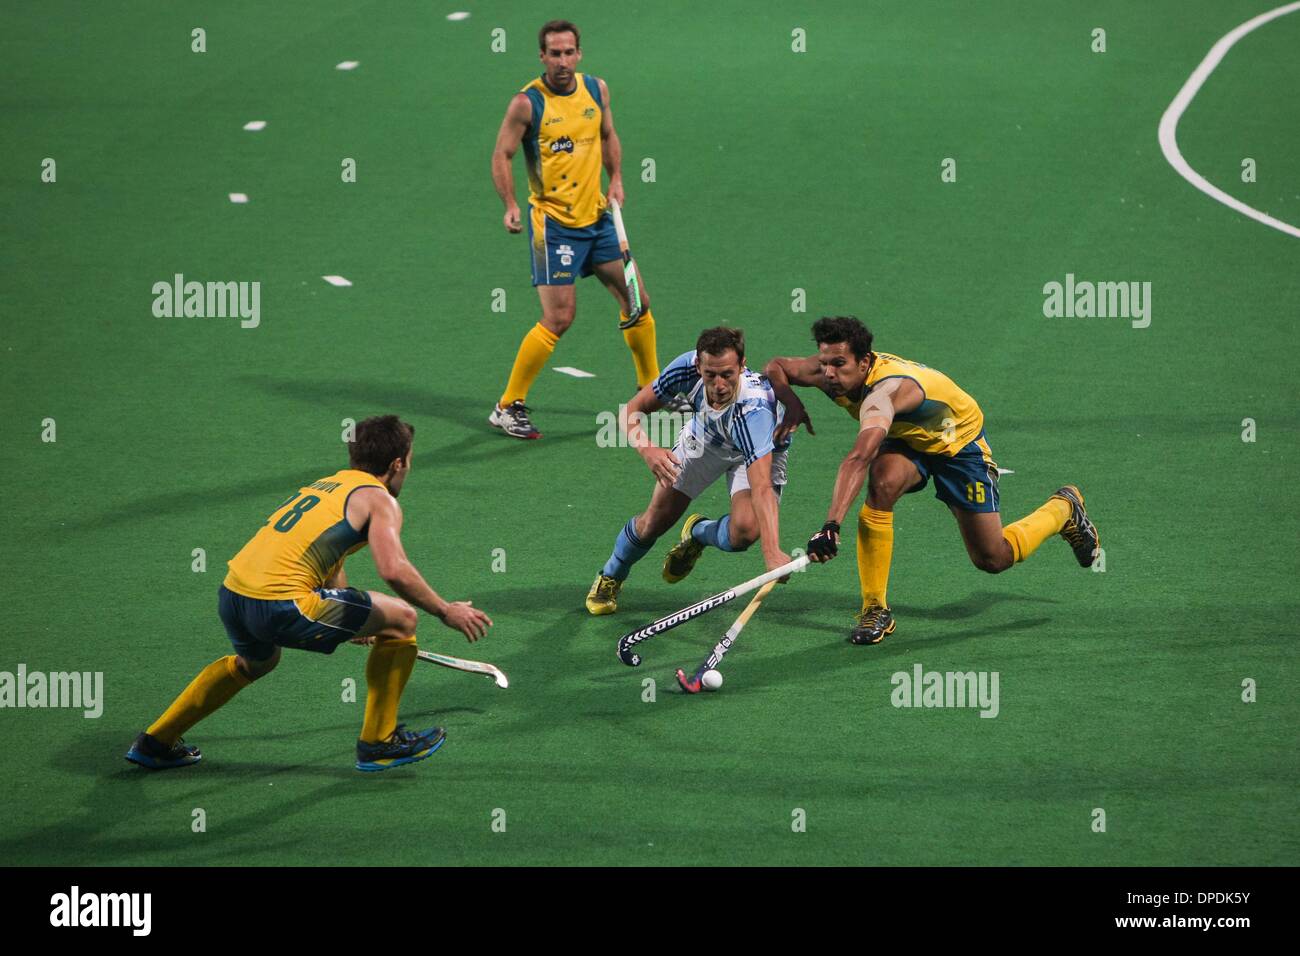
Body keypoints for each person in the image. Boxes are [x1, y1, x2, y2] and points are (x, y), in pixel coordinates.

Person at [125, 415, 493, 772]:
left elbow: (329, 555)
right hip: (282, 605)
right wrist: (445, 611)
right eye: (410, 461)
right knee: (402, 619)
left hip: (234, 597)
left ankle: (155, 742)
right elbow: (393, 569)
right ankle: (379, 744)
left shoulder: (326, 486)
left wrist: (353, 614)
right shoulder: (380, 500)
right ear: (397, 463)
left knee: (258, 663)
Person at [765, 316, 1099, 644]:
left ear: (865, 361)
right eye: (825, 363)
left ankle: (1063, 510)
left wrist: (831, 525)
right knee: (882, 483)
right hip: (907, 437)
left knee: (992, 558)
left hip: (958, 445)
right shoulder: (829, 373)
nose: (829, 374)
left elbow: (858, 457)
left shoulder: (886, 393)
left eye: (839, 364)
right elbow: (777, 367)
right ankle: (875, 608)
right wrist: (791, 401)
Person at [488, 19, 660, 439]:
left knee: (636, 300)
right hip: (555, 226)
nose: (562, 61)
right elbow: (502, 153)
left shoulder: (596, 90)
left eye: (569, 52)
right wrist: (510, 204)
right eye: (554, 53)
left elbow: (608, 135)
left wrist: (616, 177)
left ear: (578, 53)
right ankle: (508, 406)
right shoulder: (527, 104)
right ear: (542, 56)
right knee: (560, 317)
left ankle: (651, 391)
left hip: (598, 218)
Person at [586, 326, 791, 614]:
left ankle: (699, 533)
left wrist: (772, 553)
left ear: (742, 366)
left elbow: (761, 487)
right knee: (653, 523)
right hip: (705, 440)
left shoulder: (753, 411)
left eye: (727, 374)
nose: (719, 384)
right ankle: (611, 575)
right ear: (698, 365)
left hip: (757, 452)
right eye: (711, 375)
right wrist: (648, 450)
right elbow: (630, 411)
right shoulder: (685, 368)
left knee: (744, 534)